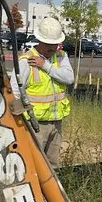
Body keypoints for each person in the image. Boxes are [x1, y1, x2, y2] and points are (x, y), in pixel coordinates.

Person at [10, 16, 74, 168]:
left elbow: (69, 78)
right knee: (34, 164)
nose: (52, 48)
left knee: (53, 164)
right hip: (35, 124)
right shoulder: (26, 60)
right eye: (48, 44)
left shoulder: (61, 57)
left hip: (56, 122)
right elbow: (15, 91)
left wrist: (45, 66)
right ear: (40, 41)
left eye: (55, 44)